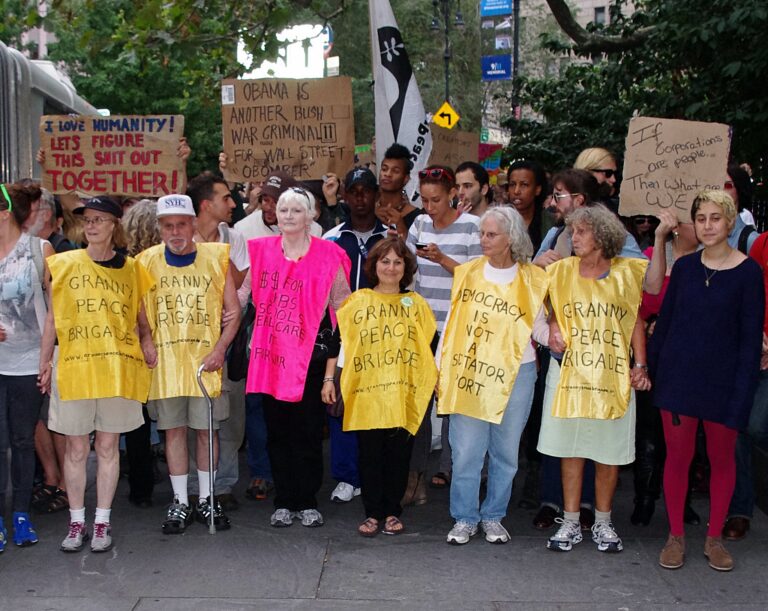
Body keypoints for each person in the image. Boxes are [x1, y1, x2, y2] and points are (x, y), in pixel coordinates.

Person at [649, 190, 763, 572]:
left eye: (716, 217)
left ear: (730, 222)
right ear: (693, 224)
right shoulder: (683, 268)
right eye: (701, 218)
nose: (708, 225)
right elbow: (665, 326)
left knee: (721, 460)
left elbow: (750, 340)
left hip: (724, 385)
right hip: (679, 382)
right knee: (677, 460)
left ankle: (714, 538)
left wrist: (742, 393)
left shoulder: (750, 273)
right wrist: (651, 370)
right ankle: (676, 535)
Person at [38, 196, 156, 553]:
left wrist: (148, 342)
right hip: (74, 366)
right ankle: (77, 521)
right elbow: (53, 319)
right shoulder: (64, 264)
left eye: (99, 219)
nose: (91, 225)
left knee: (107, 445)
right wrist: (45, 361)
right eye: (87, 220)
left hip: (117, 367)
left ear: (114, 225)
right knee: (76, 447)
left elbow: (140, 318)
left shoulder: (133, 269)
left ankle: (101, 521)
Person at [538, 204, 650, 554]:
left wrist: (641, 366)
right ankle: (570, 522)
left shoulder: (626, 273)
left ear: (602, 236)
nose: (575, 238)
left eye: (583, 232)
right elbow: (545, 304)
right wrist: (554, 323)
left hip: (612, 376)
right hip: (569, 374)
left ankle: (603, 522)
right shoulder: (559, 271)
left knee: (608, 452)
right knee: (570, 450)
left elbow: (635, 323)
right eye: (574, 231)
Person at [438, 207, 548, 544]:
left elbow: (539, 327)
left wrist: (562, 335)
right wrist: (439, 367)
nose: (482, 240)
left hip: (519, 372)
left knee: (505, 452)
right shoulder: (467, 273)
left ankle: (493, 516)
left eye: (490, 235)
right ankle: (465, 517)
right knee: (467, 450)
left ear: (511, 238)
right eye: (481, 233)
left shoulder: (534, 278)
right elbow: (452, 326)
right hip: (471, 371)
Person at [246, 187, 351, 528]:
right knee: (277, 431)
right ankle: (284, 500)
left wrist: (339, 366)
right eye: (283, 209)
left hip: (313, 360)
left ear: (311, 217)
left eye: (296, 210)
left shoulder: (328, 255)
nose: (288, 216)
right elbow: (242, 296)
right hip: (272, 358)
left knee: (307, 432)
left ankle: (306, 500)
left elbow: (343, 307)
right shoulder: (261, 254)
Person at [138, 194, 240, 532]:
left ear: (193, 224)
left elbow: (233, 312)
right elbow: (139, 310)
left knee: (206, 431)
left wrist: (221, 347)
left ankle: (207, 499)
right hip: (165, 364)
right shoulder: (146, 262)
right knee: (173, 431)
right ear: (160, 229)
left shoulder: (214, 259)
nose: (175, 231)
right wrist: (146, 339)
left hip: (204, 364)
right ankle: (181, 500)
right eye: (168, 226)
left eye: (181, 224)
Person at [330, 236, 437, 536]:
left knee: (399, 455)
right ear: (374, 266)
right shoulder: (357, 302)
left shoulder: (416, 305)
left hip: (403, 393)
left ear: (407, 268)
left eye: (398, 261)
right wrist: (333, 381)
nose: (391, 267)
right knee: (370, 454)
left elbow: (426, 349)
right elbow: (345, 347)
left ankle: (392, 510)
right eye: (385, 261)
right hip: (367, 394)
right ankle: (372, 512)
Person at [404, 165, 482, 503]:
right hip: (422, 327)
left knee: (454, 404)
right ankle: (415, 478)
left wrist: (443, 259)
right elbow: (407, 267)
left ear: (453, 194)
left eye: (436, 199)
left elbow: (480, 277)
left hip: (458, 329)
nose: (429, 206)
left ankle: (457, 471)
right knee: (418, 405)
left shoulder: (473, 228)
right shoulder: (419, 224)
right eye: (424, 199)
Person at [323, 167, 390, 503]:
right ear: (345, 196)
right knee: (341, 403)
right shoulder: (331, 239)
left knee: (375, 404)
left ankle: (372, 472)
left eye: (367, 191)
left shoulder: (391, 238)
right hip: (343, 336)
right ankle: (347, 475)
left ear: (376, 194)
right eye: (354, 191)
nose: (361, 198)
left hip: (382, 339)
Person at [186, 172, 251, 512]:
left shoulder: (233, 237)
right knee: (189, 417)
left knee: (226, 416)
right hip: (184, 341)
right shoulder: (178, 234)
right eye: (226, 198)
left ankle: (222, 484)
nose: (233, 203)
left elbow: (241, 288)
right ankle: (194, 488)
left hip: (225, 338)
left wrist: (227, 314)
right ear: (206, 204)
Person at [0, 181, 53, 551]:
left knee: (21, 441)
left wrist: (47, 358)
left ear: (5, 212)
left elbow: (56, 311)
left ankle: (20, 514)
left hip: (27, 361)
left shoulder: (39, 250)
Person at [121, 199, 162, 509]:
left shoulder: (122, 264)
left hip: (131, 348)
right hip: (166, 347)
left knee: (138, 421)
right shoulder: (165, 262)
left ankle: (141, 486)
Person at [373, 143, 422, 234]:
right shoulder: (368, 211)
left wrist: (400, 225)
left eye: (395, 171)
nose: (387, 174)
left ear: (406, 179)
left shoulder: (417, 217)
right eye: (384, 169)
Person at [506, 159, 551, 253]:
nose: (516, 191)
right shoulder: (498, 219)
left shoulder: (550, 223)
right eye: (512, 184)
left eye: (524, 185)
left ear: (537, 189)